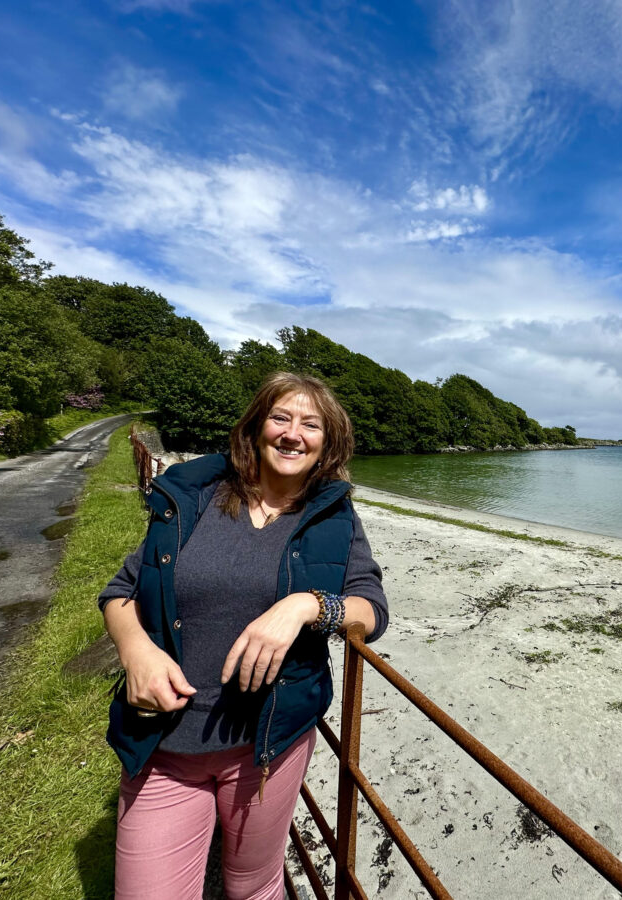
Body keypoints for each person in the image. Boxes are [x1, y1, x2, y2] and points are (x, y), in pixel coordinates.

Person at [99, 372, 388, 900]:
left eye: (311, 425)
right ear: (256, 427)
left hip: (267, 748)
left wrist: (304, 606)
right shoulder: (193, 497)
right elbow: (121, 591)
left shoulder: (333, 517)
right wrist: (136, 650)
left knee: (253, 884)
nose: (293, 434)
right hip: (164, 744)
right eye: (281, 418)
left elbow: (370, 609)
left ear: (328, 442)